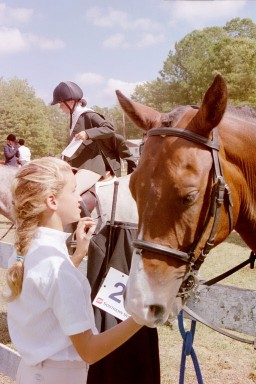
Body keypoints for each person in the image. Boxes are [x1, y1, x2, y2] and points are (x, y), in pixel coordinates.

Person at [5, 157, 143, 384]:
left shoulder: (26, 250)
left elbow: (46, 292)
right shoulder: (57, 268)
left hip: (33, 374)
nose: (79, 198)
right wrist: (141, 317)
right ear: (52, 201)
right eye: (73, 191)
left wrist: (78, 254)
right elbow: (89, 350)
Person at [51, 81, 122, 180]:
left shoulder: (89, 115)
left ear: (71, 102)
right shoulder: (74, 117)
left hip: (91, 168)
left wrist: (88, 133)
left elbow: (110, 128)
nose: (60, 107)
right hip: (78, 167)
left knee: (73, 192)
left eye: (62, 104)